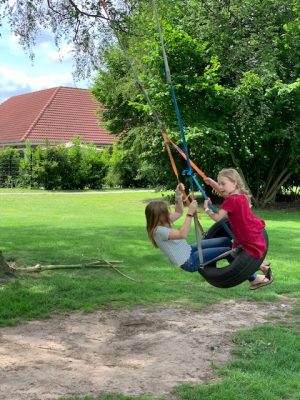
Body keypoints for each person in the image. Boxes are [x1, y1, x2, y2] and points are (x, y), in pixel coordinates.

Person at [204, 168, 273, 290]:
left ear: (234, 183)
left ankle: (259, 268)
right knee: (236, 255)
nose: (220, 187)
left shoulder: (230, 201)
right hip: (251, 229)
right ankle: (261, 268)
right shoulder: (242, 195)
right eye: (219, 184)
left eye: (223, 183)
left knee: (237, 257)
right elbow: (224, 192)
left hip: (245, 236)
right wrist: (212, 183)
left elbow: (218, 218)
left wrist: (207, 209)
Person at [145, 183, 233, 273]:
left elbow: (179, 212)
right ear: (158, 216)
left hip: (189, 250)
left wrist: (178, 194)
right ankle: (243, 273)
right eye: (166, 212)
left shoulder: (163, 222)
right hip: (189, 261)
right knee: (229, 251)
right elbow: (182, 234)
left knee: (225, 240)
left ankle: (239, 261)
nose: (168, 213)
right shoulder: (159, 231)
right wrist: (190, 213)